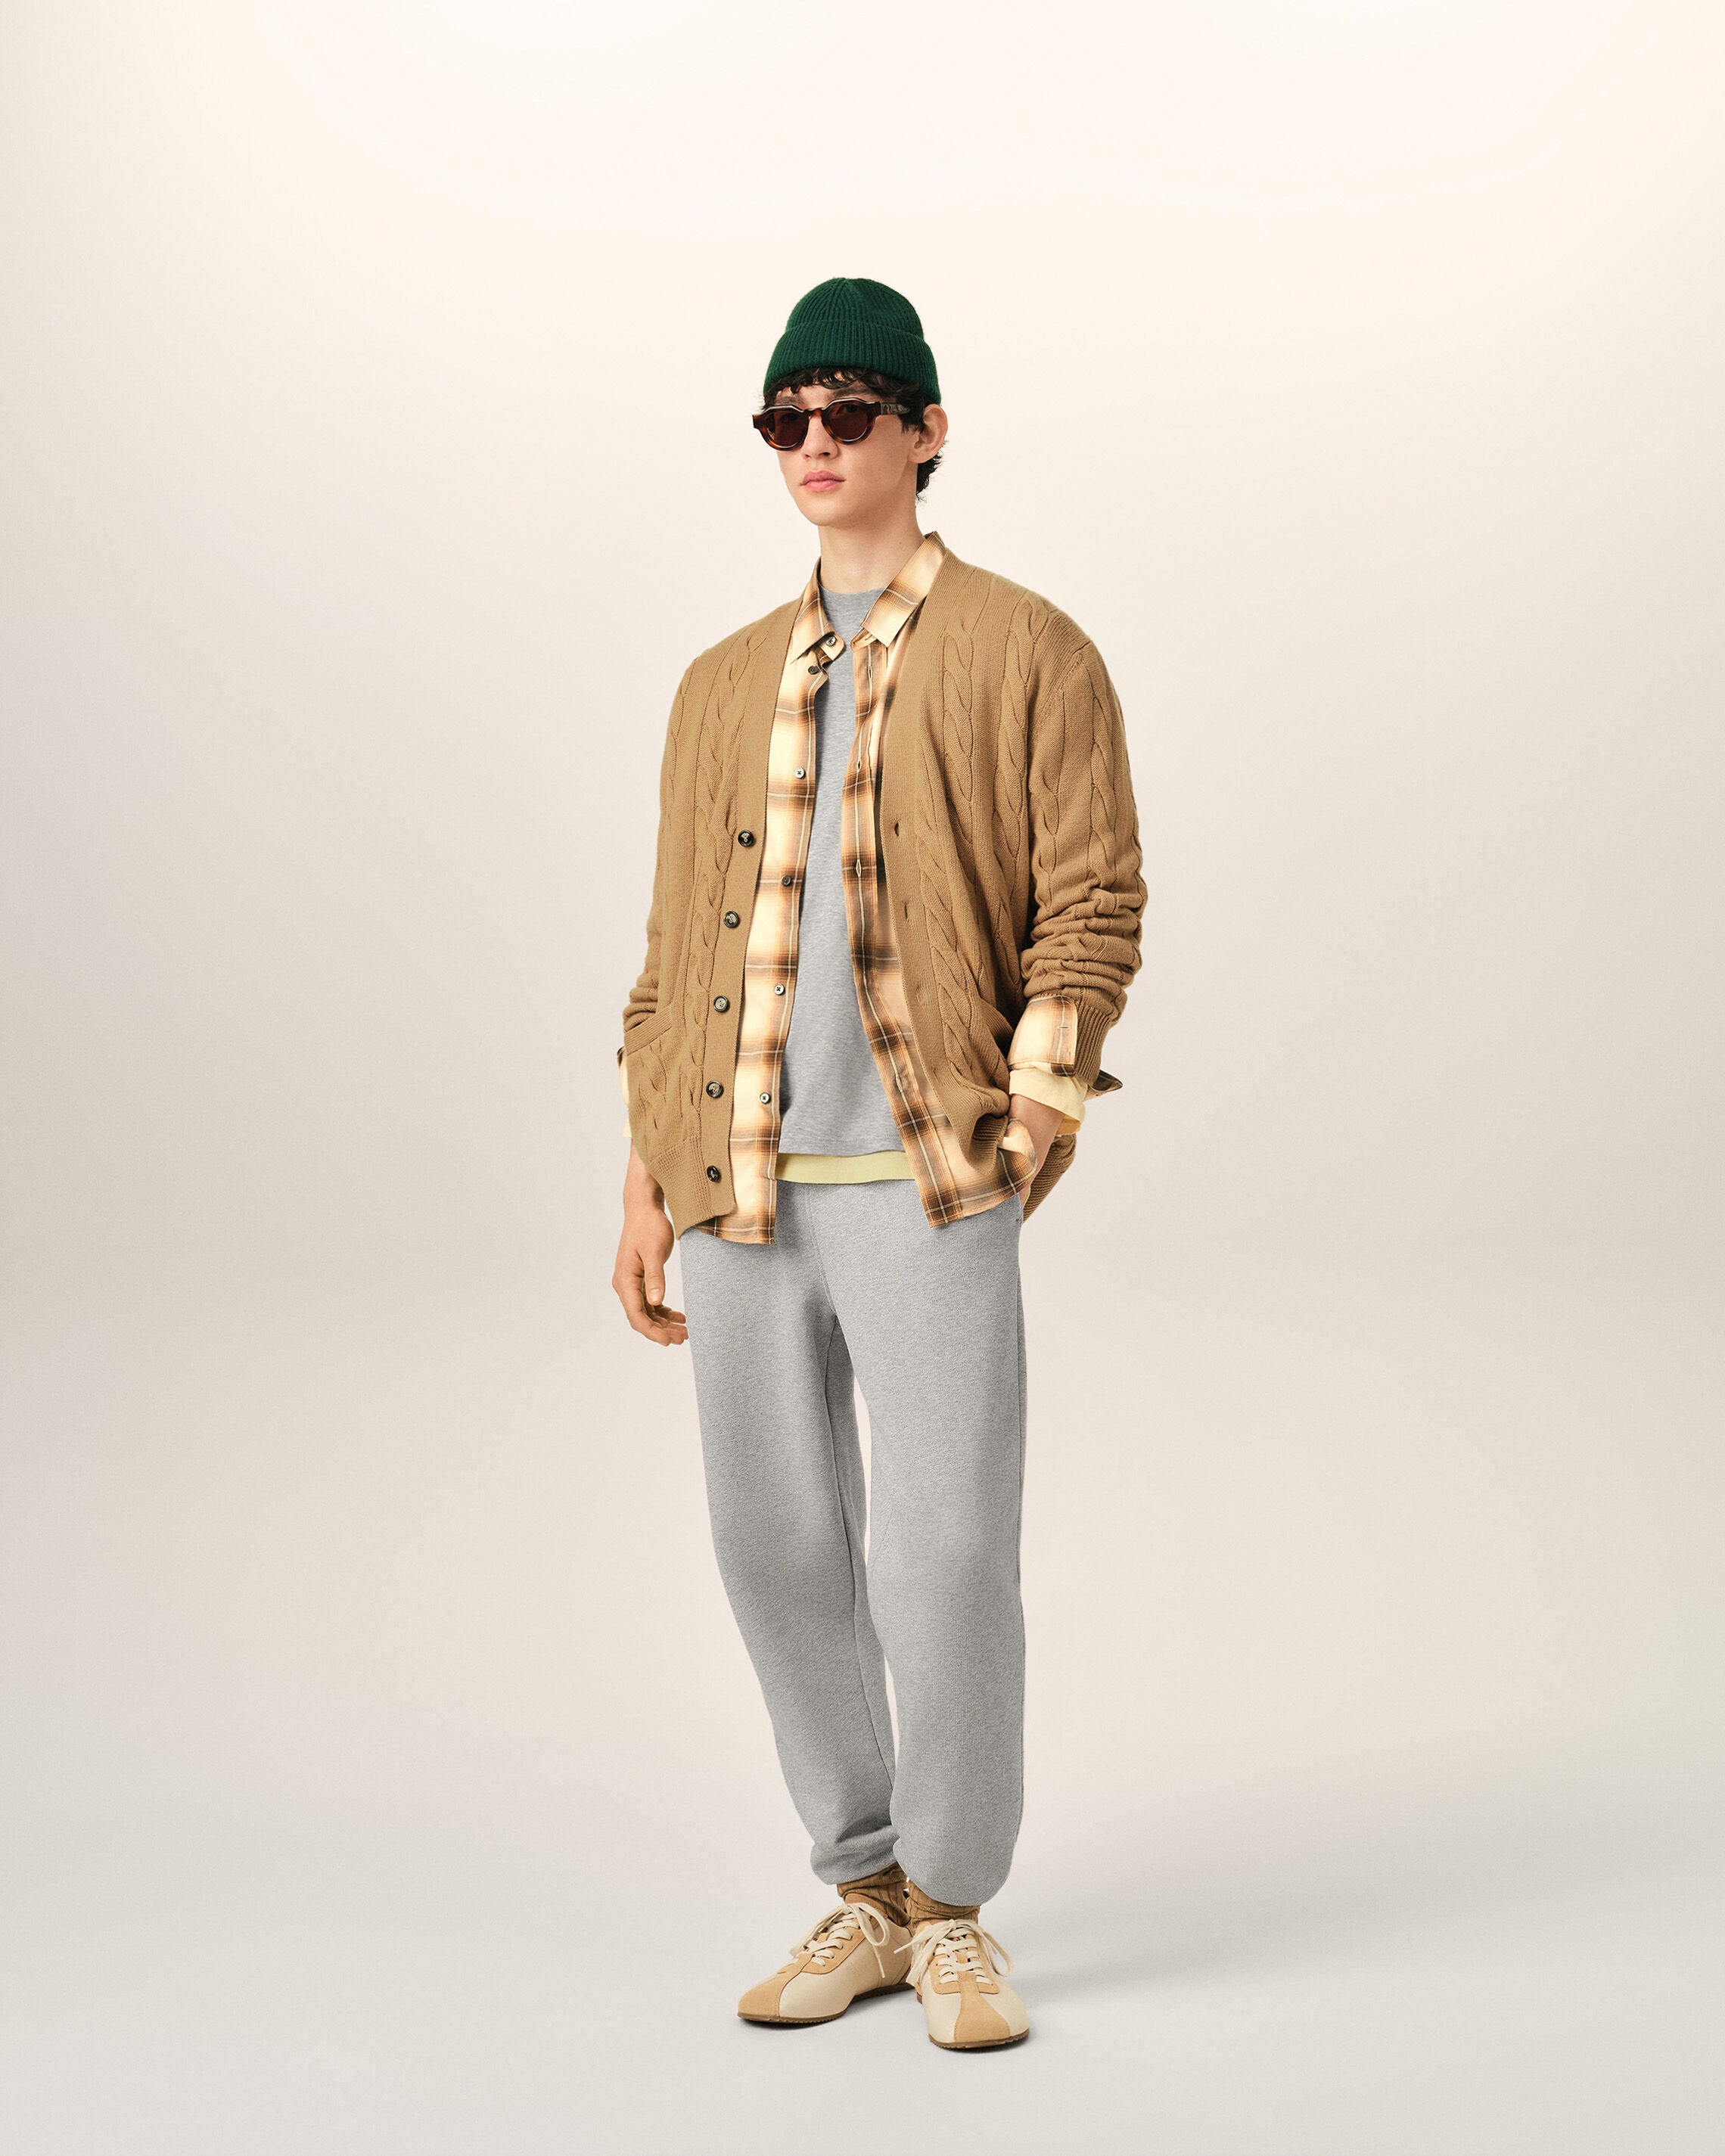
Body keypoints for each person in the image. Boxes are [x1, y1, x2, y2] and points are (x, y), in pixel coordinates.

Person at [612, 278, 1144, 2051]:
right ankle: (868, 1888)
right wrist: (647, 1180)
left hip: (923, 1181)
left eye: (851, 413)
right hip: (740, 1194)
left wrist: (1038, 1105)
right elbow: (670, 954)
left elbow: (1092, 897)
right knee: (774, 1547)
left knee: (945, 1561)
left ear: (926, 431)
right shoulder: (717, 685)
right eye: (789, 420)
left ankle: (958, 1907)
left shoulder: (1029, 648)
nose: (817, 445)